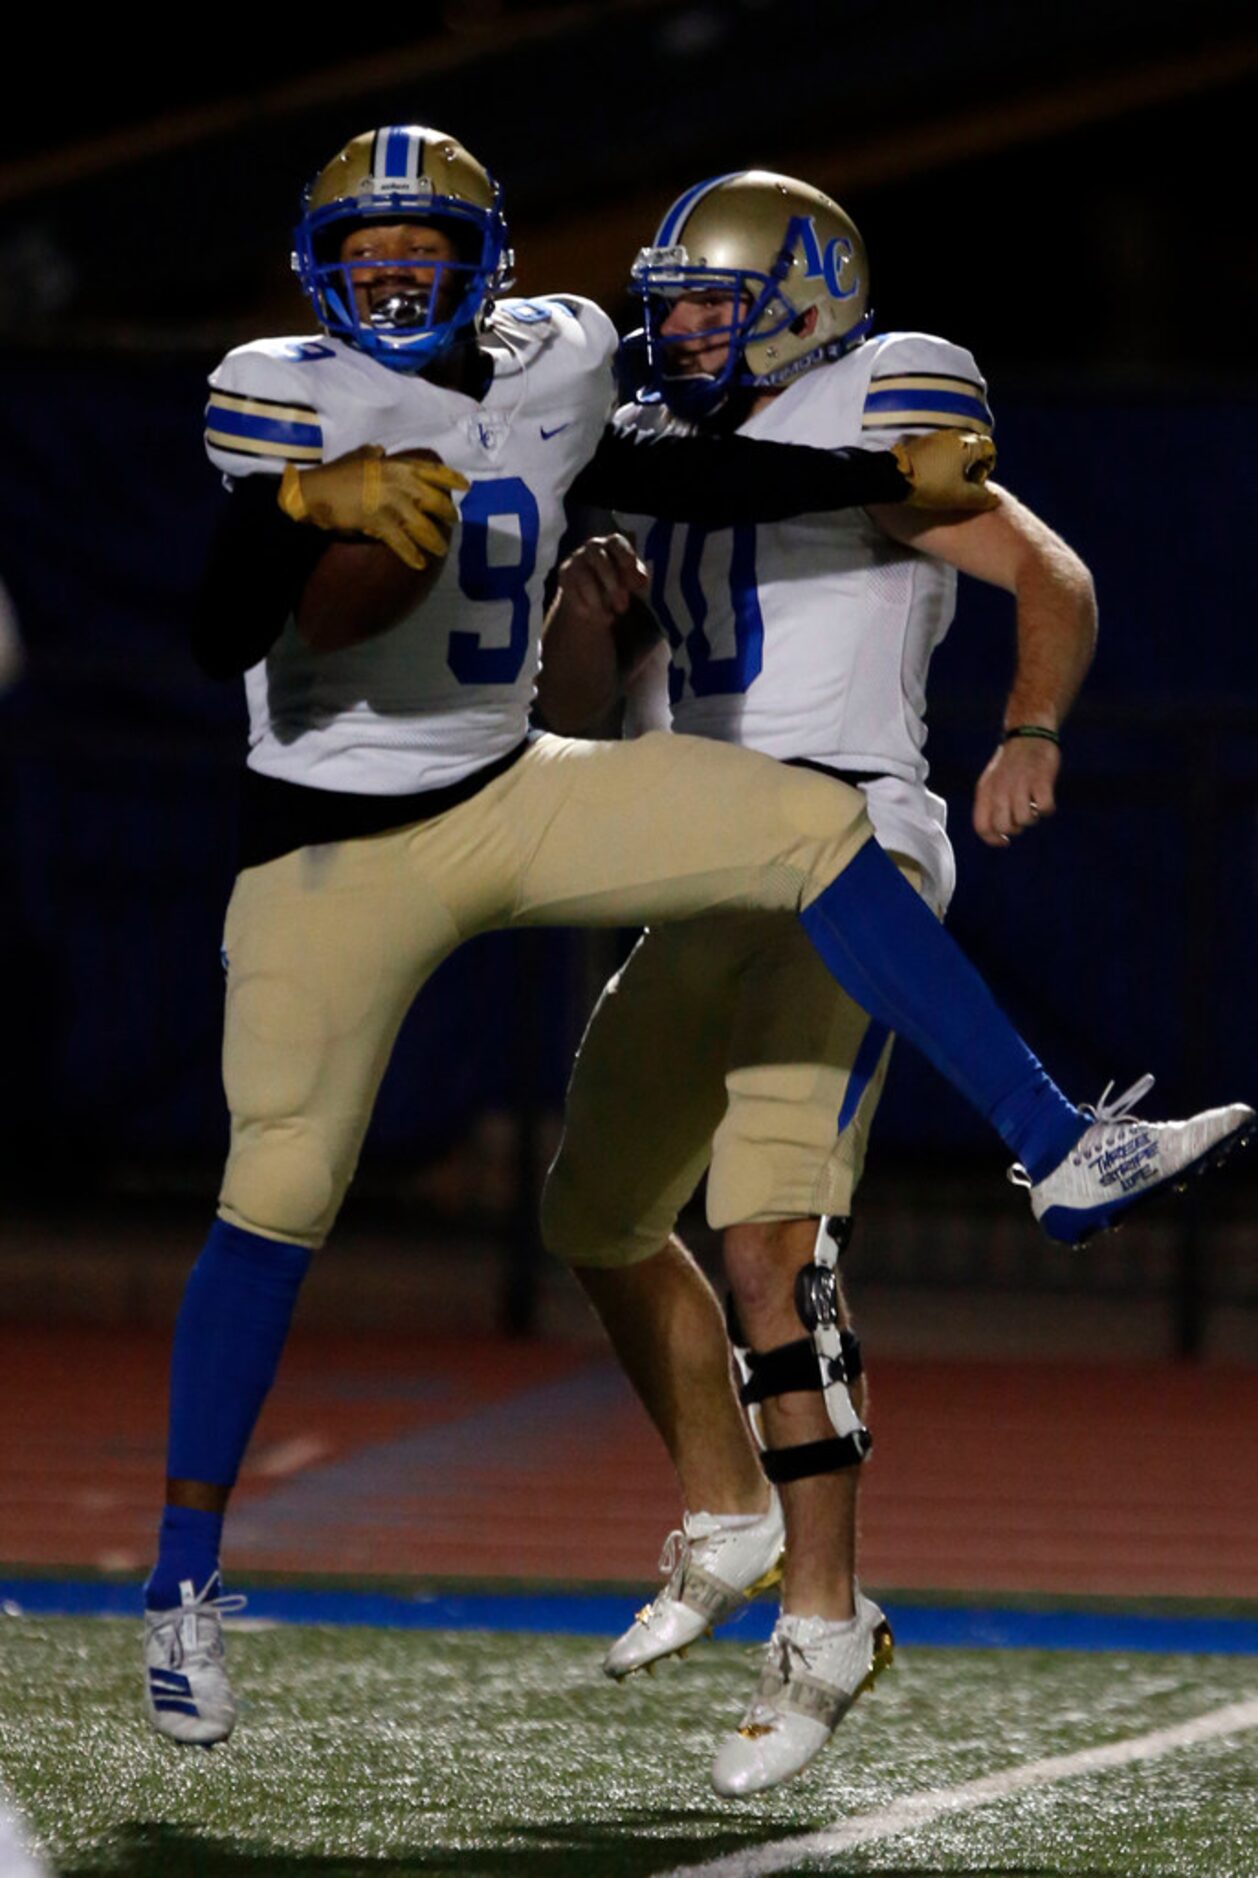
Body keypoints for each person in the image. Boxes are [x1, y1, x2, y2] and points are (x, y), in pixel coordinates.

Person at [142, 126, 1249, 1755]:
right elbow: (230, 625)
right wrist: (306, 508)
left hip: (571, 795)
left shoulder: (597, 369)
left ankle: (1040, 1168)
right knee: (367, 1197)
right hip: (339, 842)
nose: (685, 331)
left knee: (796, 998)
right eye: (365, 255)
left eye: (422, 253)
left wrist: (981, 646)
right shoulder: (312, 387)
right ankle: (184, 1592)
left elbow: (805, 499)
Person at [537, 168, 1253, 1798]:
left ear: (802, 301)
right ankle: (724, 1510)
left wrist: (1027, 726)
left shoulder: (878, 411)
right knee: (590, 1214)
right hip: (701, 856)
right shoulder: (670, 462)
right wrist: (588, 625)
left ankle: (822, 1619)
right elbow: (595, 707)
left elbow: (1049, 574)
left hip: (844, 850)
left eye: (714, 305)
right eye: (676, 308)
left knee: (770, 1245)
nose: (684, 333)